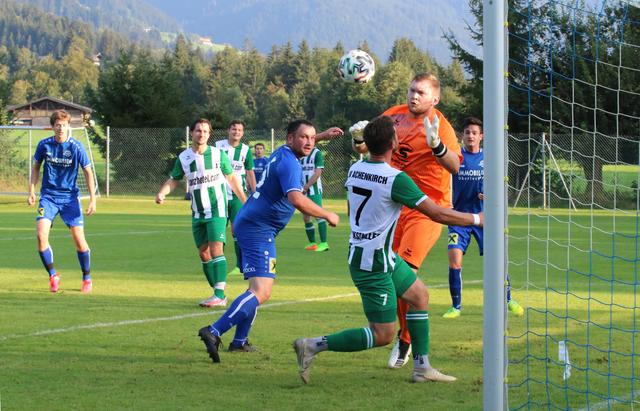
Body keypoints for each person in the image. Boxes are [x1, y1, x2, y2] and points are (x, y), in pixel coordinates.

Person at [293, 115, 483, 384]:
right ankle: (311, 346)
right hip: (372, 264)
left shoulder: (355, 170)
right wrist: (479, 219)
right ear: (394, 142)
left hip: (376, 255)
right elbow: (438, 214)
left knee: (419, 295)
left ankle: (421, 367)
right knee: (382, 334)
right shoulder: (396, 179)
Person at [197, 120, 340, 357]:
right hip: (258, 229)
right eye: (304, 137)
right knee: (262, 291)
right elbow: (296, 199)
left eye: (312, 138)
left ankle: (239, 341)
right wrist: (327, 214)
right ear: (290, 139)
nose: (309, 142)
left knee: (256, 288)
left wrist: (321, 135)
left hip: (255, 225)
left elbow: (303, 142)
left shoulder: (283, 153)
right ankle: (214, 330)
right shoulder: (290, 164)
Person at [352, 73, 462, 368]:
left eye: (421, 92)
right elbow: (367, 148)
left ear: (434, 99)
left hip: (427, 208)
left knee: (405, 271)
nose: (414, 96)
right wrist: (358, 138)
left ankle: (405, 341)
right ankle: (401, 335)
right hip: (393, 205)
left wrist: (436, 144)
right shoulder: (392, 116)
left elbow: (454, 166)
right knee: (392, 273)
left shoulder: (441, 126)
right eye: (412, 90)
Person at [156, 118, 246, 308]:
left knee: (216, 250)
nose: (202, 134)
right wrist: (162, 193)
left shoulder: (217, 154)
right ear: (192, 133)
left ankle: (219, 294)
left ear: (209, 134)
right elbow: (174, 179)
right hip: (197, 213)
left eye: (205, 131)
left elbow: (231, 177)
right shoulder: (184, 158)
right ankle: (217, 290)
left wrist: (245, 201)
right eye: (198, 131)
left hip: (217, 210)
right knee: (204, 254)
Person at [443, 117, 524, 318]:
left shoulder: (489, 159)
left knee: (496, 260)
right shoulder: (455, 157)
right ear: (462, 135)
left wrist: (490, 195)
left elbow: (500, 188)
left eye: (474, 133)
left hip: (484, 218)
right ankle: (456, 307)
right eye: (467, 132)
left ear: (482, 136)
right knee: (454, 260)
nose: (470, 136)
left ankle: (508, 300)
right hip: (459, 218)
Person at [27, 110, 97, 293]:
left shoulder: (76, 147)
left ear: (68, 126)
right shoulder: (44, 145)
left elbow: (88, 172)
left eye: (64, 125)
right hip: (48, 198)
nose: (60, 128)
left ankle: (87, 278)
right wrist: (31, 191)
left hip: (70, 199)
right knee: (41, 236)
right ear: (53, 126)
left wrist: (92, 200)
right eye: (57, 125)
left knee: (79, 241)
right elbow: (35, 168)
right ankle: (52, 275)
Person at [215, 120, 256, 276]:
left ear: (242, 133)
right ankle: (218, 264)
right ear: (228, 130)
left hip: (237, 197)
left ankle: (240, 266)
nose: (236, 132)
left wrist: (255, 190)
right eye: (234, 129)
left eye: (239, 130)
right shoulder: (218, 147)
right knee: (219, 231)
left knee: (237, 230)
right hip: (219, 195)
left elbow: (250, 171)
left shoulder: (245, 150)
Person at [300, 146, 330, 252]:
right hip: (302, 190)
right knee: (306, 217)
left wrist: (307, 186)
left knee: (318, 215)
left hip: (314, 190)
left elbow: (318, 173)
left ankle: (324, 243)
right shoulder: (301, 152)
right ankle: (312, 243)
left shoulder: (317, 153)